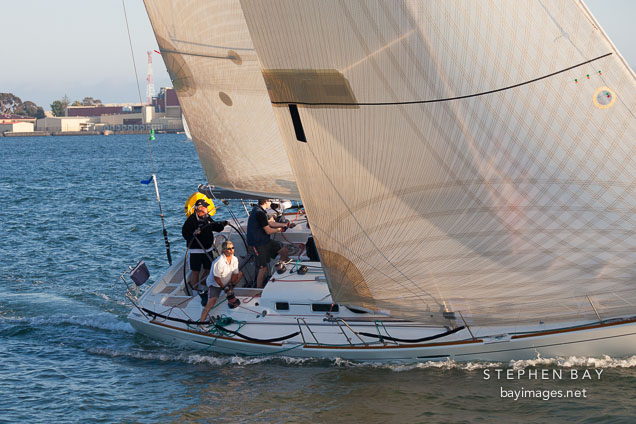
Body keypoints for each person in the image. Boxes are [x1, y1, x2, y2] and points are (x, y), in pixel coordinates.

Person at [182, 198, 227, 297]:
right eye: (205, 206)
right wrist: (193, 233)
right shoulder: (191, 220)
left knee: (208, 269)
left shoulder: (208, 218)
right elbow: (185, 234)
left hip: (208, 249)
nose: (207, 208)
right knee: (195, 272)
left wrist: (222, 224)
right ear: (200, 208)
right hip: (195, 251)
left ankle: (202, 289)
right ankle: (194, 293)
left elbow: (216, 227)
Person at [246, 199, 291, 288]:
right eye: (270, 201)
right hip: (258, 244)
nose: (271, 203)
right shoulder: (259, 213)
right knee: (263, 268)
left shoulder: (259, 210)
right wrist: (279, 230)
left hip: (265, 241)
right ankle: (259, 290)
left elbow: (270, 223)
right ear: (266, 201)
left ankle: (279, 270)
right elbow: (268, 230)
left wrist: (284, 225)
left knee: (284, 251)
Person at [200, 241, 243, 322]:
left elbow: (235, 273)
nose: (231, 250)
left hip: (226, 281)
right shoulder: (218, 262)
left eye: (232, 248)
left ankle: (230, 294)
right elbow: (217, 278)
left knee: (240, 274)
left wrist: (230, 285)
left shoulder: (235, 259)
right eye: (229, 249)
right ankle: (201, 322)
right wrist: (224, 288)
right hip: (215, 284)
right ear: (224, 250)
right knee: (211, 303)